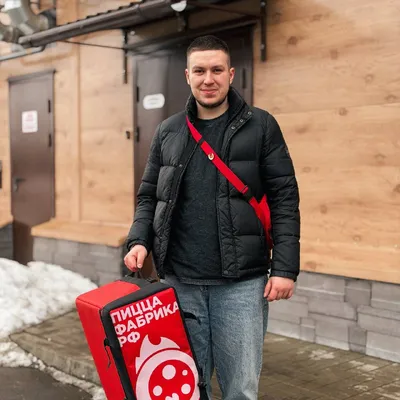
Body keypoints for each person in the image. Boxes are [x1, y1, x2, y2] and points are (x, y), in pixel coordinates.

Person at [124, 35, 300, 400]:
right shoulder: (169, 131)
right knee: (185, 387)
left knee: (240, 390)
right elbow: (149, 196)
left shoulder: (261, 126)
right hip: (179, 282)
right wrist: (139, 240)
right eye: (200, 71)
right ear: (187, 75)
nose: (209, 79)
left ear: (231, 74)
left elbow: (284, 199)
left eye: (217, 70)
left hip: (241, 286)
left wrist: (284, 269)